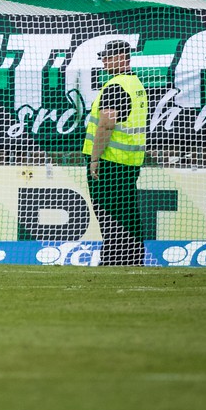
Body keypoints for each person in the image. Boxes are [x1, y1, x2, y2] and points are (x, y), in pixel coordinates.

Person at [83, 38, 149, 266]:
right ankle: (133, 258)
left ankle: (113, 259)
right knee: (127, 212)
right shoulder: (135, 84)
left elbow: (106, 125)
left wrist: (94, 159)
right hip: (130, 161)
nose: (104, 62)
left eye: (107, 57)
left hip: (110, 161)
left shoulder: (116, 86)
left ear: (121, 57)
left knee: (108, 212)